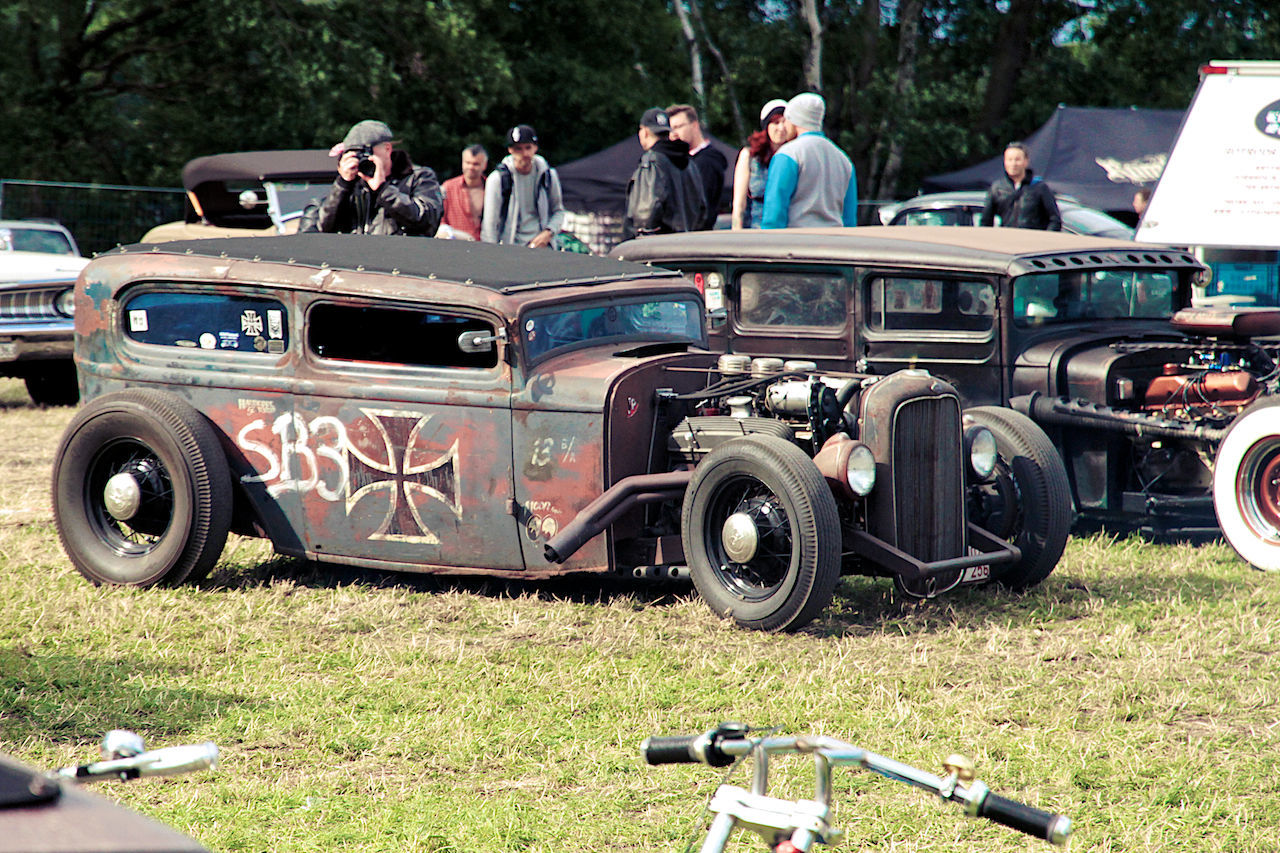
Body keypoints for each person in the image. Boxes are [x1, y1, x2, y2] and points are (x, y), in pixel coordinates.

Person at [314, 120, 442, 236]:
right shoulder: (351, 186)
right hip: (357, 258)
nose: (361, 159)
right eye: (354, 154)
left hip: (400, 258)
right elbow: (324, 228)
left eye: (366, 152)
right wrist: (343, 185)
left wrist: (384, 190)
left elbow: (428, 221)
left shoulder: (418, 177)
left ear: (387, 149)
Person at [761, 93, 858, 229]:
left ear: (795, 120)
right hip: (835, 242)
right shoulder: (844, 160)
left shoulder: (788, 154)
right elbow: (849, 218)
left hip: (798, 242)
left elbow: (774, 212)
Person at [622, 107, 706, 240]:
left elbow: (644, 217)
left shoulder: (652, 162)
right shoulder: (691, 165)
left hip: (657, 250)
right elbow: (702, 212)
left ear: (644, 132)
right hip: (687, 247)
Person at [481, 125, 566, 248]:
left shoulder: (547, 176)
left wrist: (548, 233)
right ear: (510, 150)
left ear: (535, 148)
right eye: (518, 149)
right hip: (510, 247)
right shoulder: (497, 179)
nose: (524, 153)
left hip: (542, 247)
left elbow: (558, 211)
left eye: (528, 147)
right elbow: (490, 224)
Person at [666, 104, 727, 230]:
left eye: (678, 127)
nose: (674, 134)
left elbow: (699, 209)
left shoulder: (707, 162)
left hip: (696, 237)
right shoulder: (682, 161)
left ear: (694, 126)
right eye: (671, 129)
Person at [731, 99, 789, 229]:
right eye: (776, 123)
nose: (781, 128)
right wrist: (736, 231)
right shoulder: (749, 156)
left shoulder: (794, 156)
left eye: (785, 122)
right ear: (766, 126)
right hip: (755, 230)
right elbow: (739, 204)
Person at [979, 142, 1061, 231]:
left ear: (1026, 161)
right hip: (1006, 241)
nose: (1013, 164)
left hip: (1032, 241)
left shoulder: (1039, 188)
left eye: (1017, 160)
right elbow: (985, 222)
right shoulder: (997, 188)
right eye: (1009, 160)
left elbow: (1054, 219)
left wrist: (1045, 240)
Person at [439, 144, 488, 240]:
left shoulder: (492, 188)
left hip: (485, 246)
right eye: (467, 163)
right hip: (456, 246)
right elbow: (440, 221)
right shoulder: (448, 187)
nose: (471, 167)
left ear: (484, 165)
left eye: (476, 164)